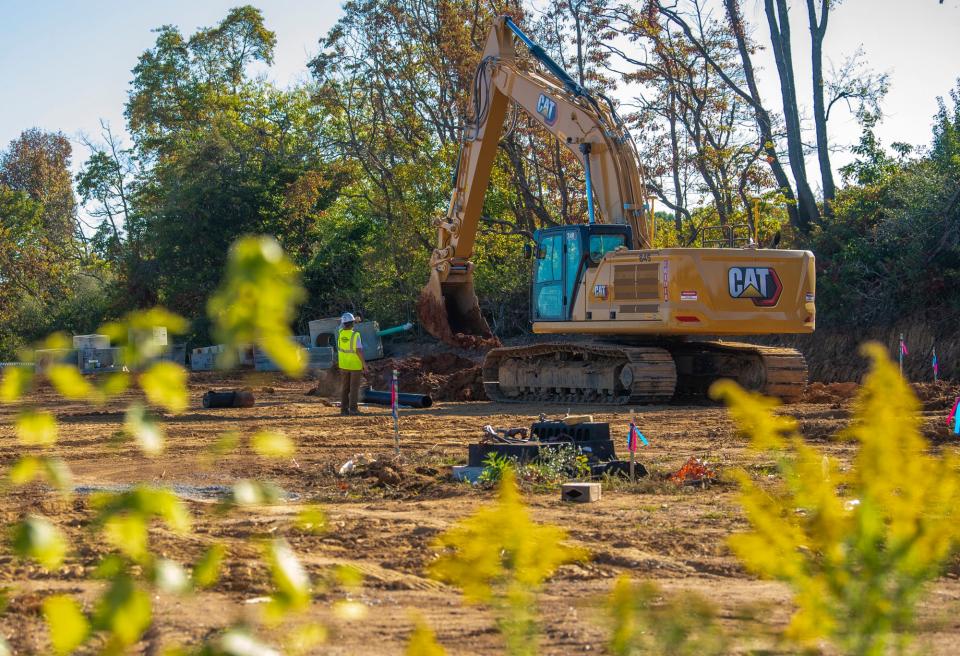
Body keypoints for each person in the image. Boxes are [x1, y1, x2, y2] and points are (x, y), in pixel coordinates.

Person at [337, 312, 367, 415]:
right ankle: (353, 409)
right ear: (353, 323)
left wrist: (353, 320)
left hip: (344, 365)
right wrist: (364, 364)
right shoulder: (355, 335)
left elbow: (342, 325)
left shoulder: (340, 333)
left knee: (345, 388)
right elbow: (358, 351)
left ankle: (344, 410)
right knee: (354, 388)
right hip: (354, 366)